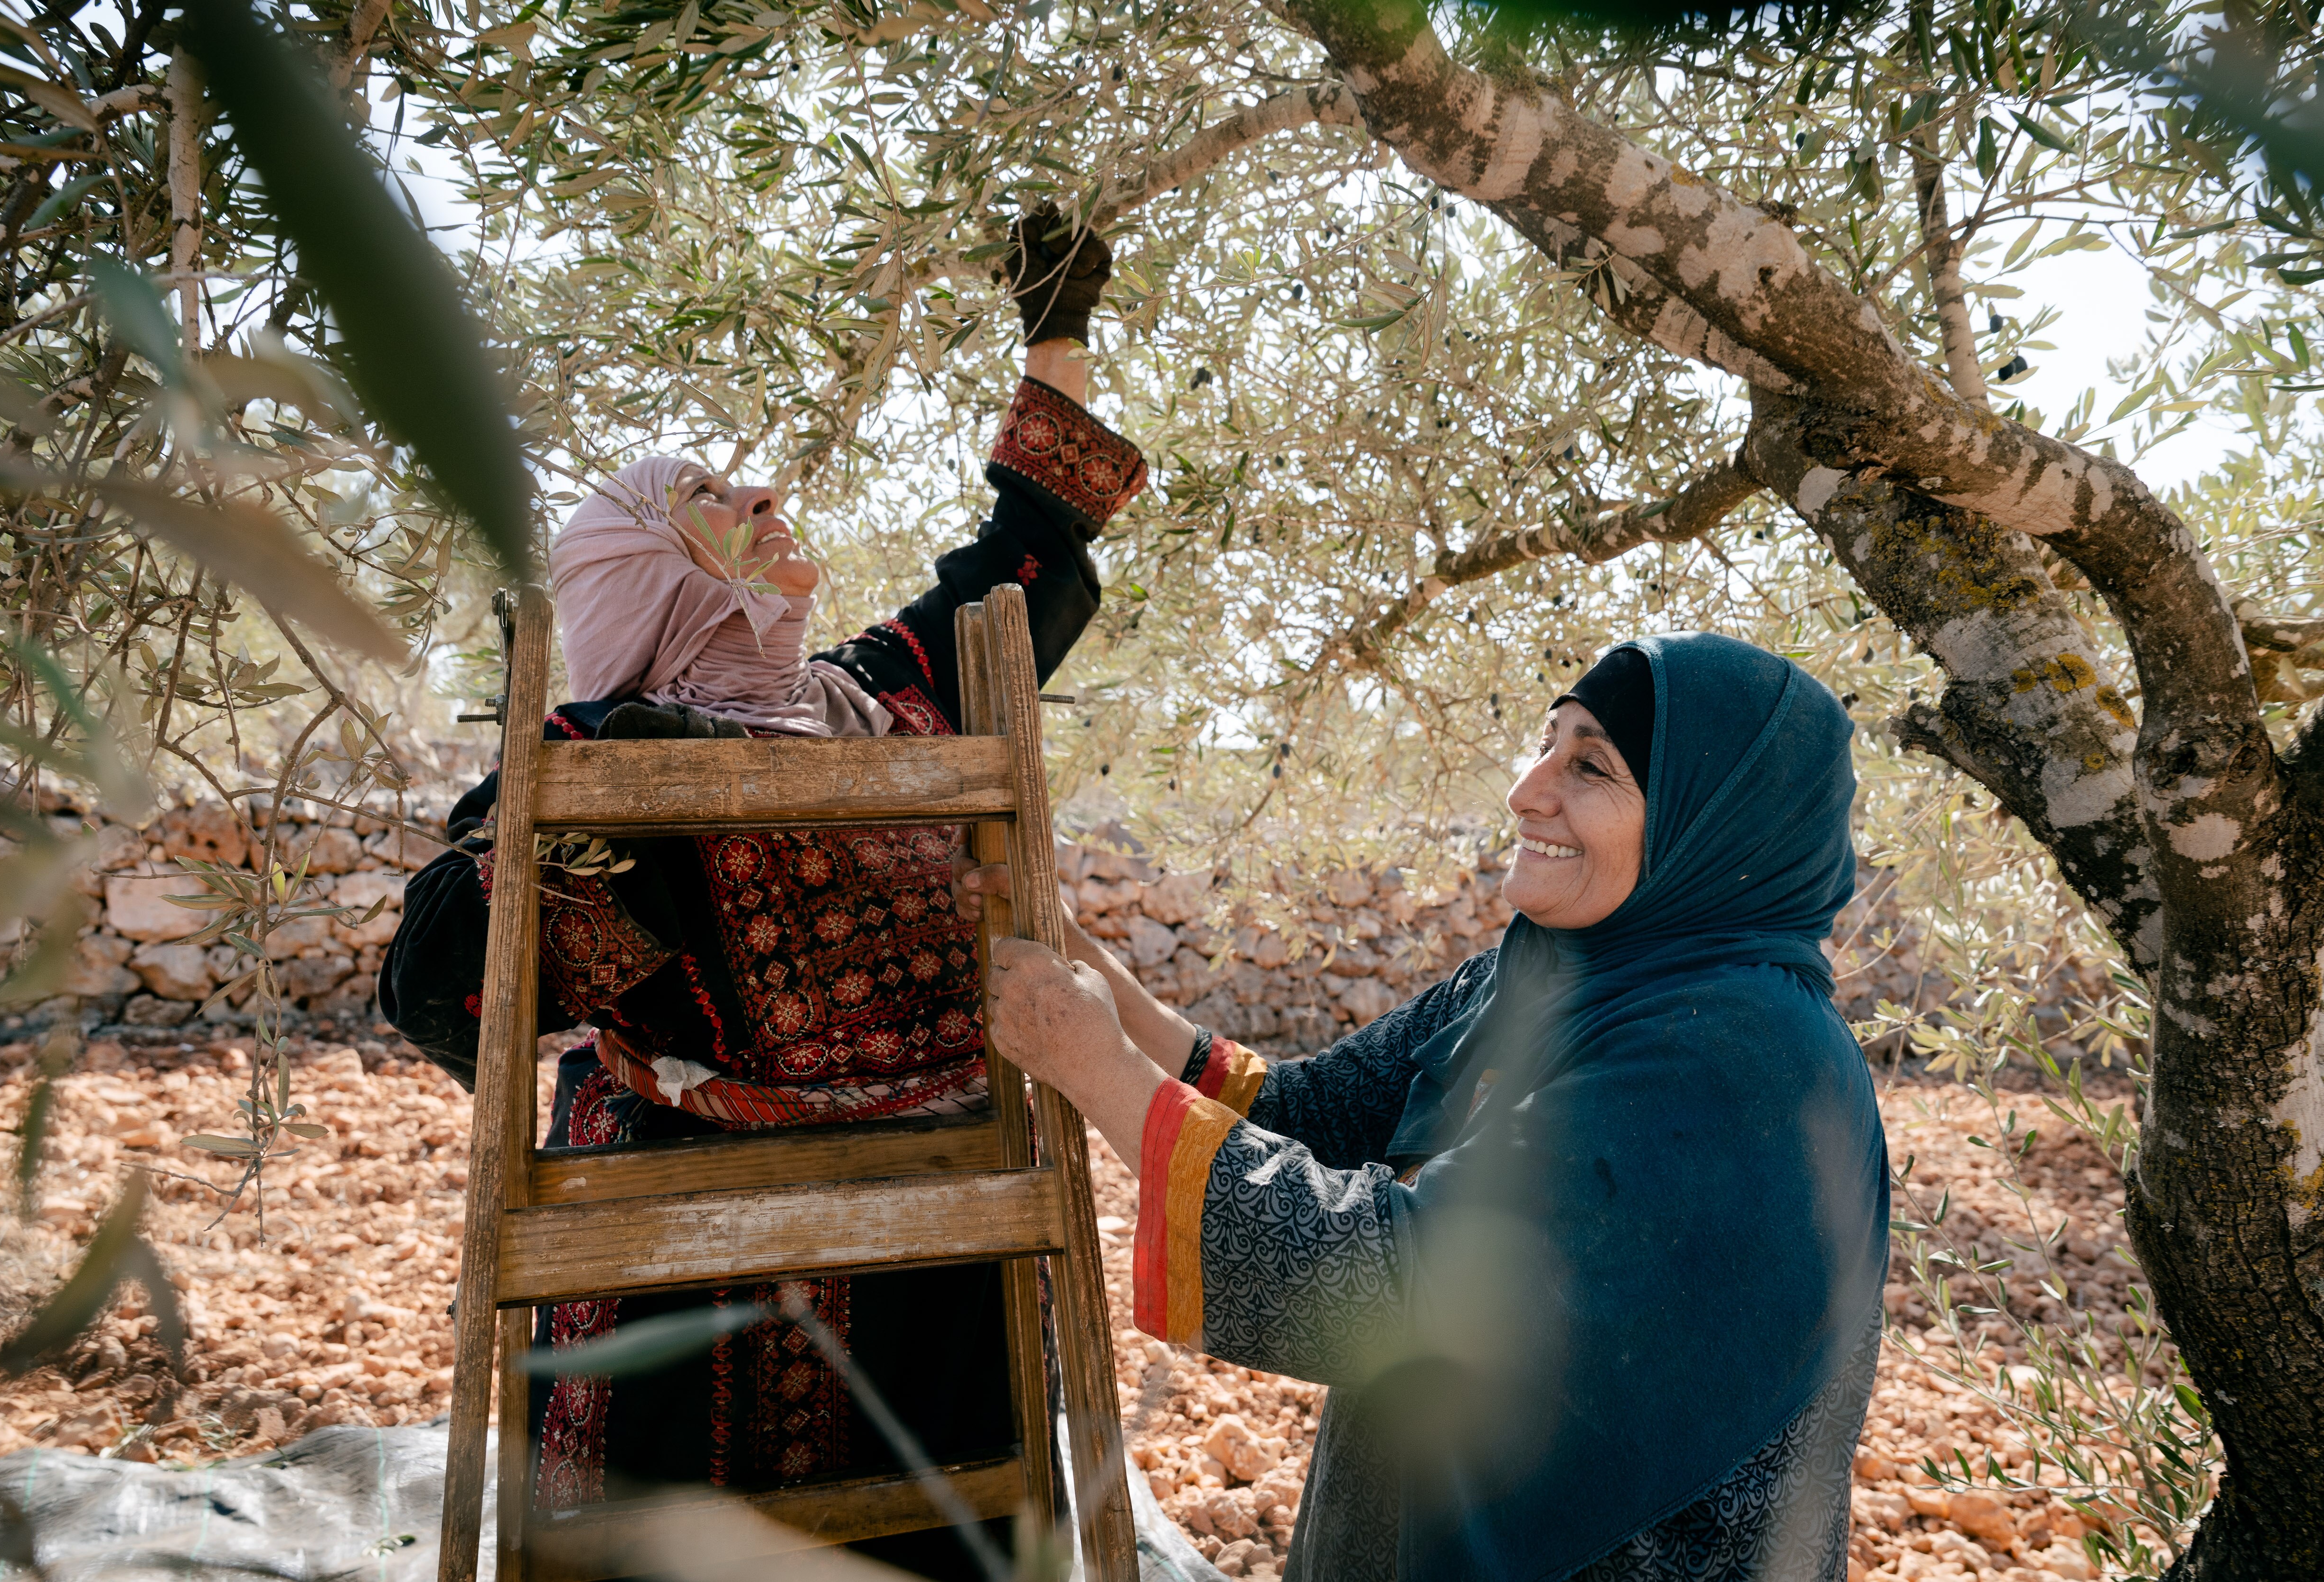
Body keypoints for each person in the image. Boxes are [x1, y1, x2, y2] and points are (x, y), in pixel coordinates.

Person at [381, 208, 1141, 1574]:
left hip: (933, 1271)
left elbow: (1036, 541)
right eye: (715, 503)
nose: (770, 500)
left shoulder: (886, 687)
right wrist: (604, 814)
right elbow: (442, 987)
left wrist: (1056, 323)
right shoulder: (596, 763)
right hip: (698, 1289)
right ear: (659, 585)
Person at [963, 633, 1891, 1582]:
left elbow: (1403, 1281)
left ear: (1715, 823)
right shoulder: (1537, 978)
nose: (1529, 789)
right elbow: (1306, 1112)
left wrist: (1095, 1065)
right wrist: (1093, 975)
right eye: (1546, 742)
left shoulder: (1737, 1058)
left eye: (1590, 765)